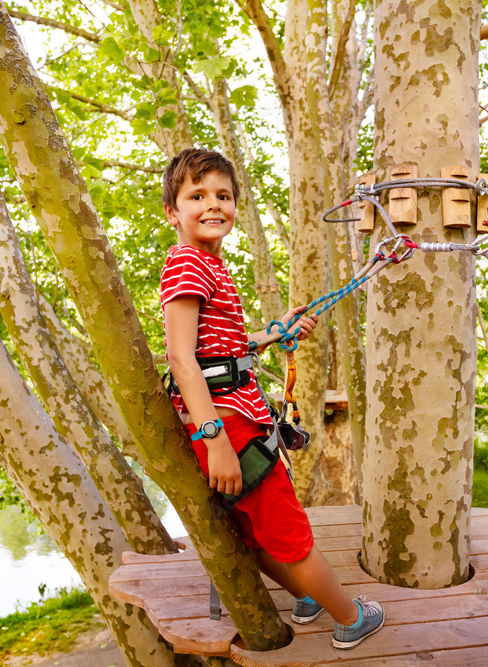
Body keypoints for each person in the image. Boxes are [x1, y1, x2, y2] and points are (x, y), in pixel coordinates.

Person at [160, 147, 384, 649]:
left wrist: (272, 333)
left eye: (223, 195)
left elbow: (217, 347)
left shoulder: (207, 264)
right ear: (173, 212)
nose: (213, 205)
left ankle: (304, 598)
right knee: (287, 528)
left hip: (234, 421)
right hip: (227, 426)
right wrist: (213, 438)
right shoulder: (187, 266)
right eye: (197, 196)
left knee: (252, 527)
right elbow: (181, 358)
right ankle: (350, 618)